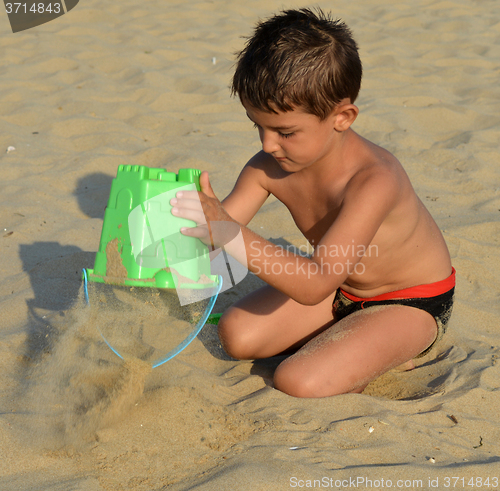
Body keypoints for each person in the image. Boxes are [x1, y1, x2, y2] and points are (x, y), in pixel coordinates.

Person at [170, 8, 455, 398]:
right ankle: (351, 337)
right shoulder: (268, 166)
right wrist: (189, 222)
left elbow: (312, 284)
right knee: (236, 334)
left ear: (342, 117)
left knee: (297, 380)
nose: (267, 144)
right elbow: (218, 233)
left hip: (408, 300)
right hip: (341, 289)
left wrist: (225, 228)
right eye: (258, 126)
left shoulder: (374, 180)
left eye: (285, 132)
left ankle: (399, 345)